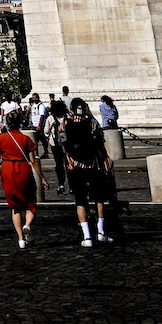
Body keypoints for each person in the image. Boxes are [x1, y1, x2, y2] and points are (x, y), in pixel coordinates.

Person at [59, 98, 114, 245]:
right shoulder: (92, 123)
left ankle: (87, 237)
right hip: (92, 166)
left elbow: (63, 147)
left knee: (80, 201)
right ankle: (101, 232)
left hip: (75, 168)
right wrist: (105, 158)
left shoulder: (64, 124)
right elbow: (100, 146)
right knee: (99, 199)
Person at [0, 109, 42, 248]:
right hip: (23, 169)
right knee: (31, 203)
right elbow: (33, 161)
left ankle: (20, 239)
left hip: (8, 171)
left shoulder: (1, 139)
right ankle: (28, 225)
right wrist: (42, 178)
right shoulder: (26, 139)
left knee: (15, 208)